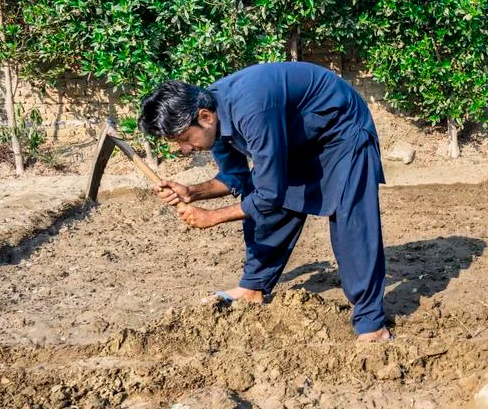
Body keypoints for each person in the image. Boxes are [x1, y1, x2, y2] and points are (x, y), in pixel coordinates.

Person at [137, 62, 390, 341]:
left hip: (341, 132)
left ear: (205, 116)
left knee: (351, 225)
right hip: (296, 140)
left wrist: (214, 217)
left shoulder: (252, 108)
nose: (185, 149)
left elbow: (270, 192)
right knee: (263, 208)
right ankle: (253, 287)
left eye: (185, 139)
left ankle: (371, 325)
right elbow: (235, 176)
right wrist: (192, 192)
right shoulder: (215, 118)